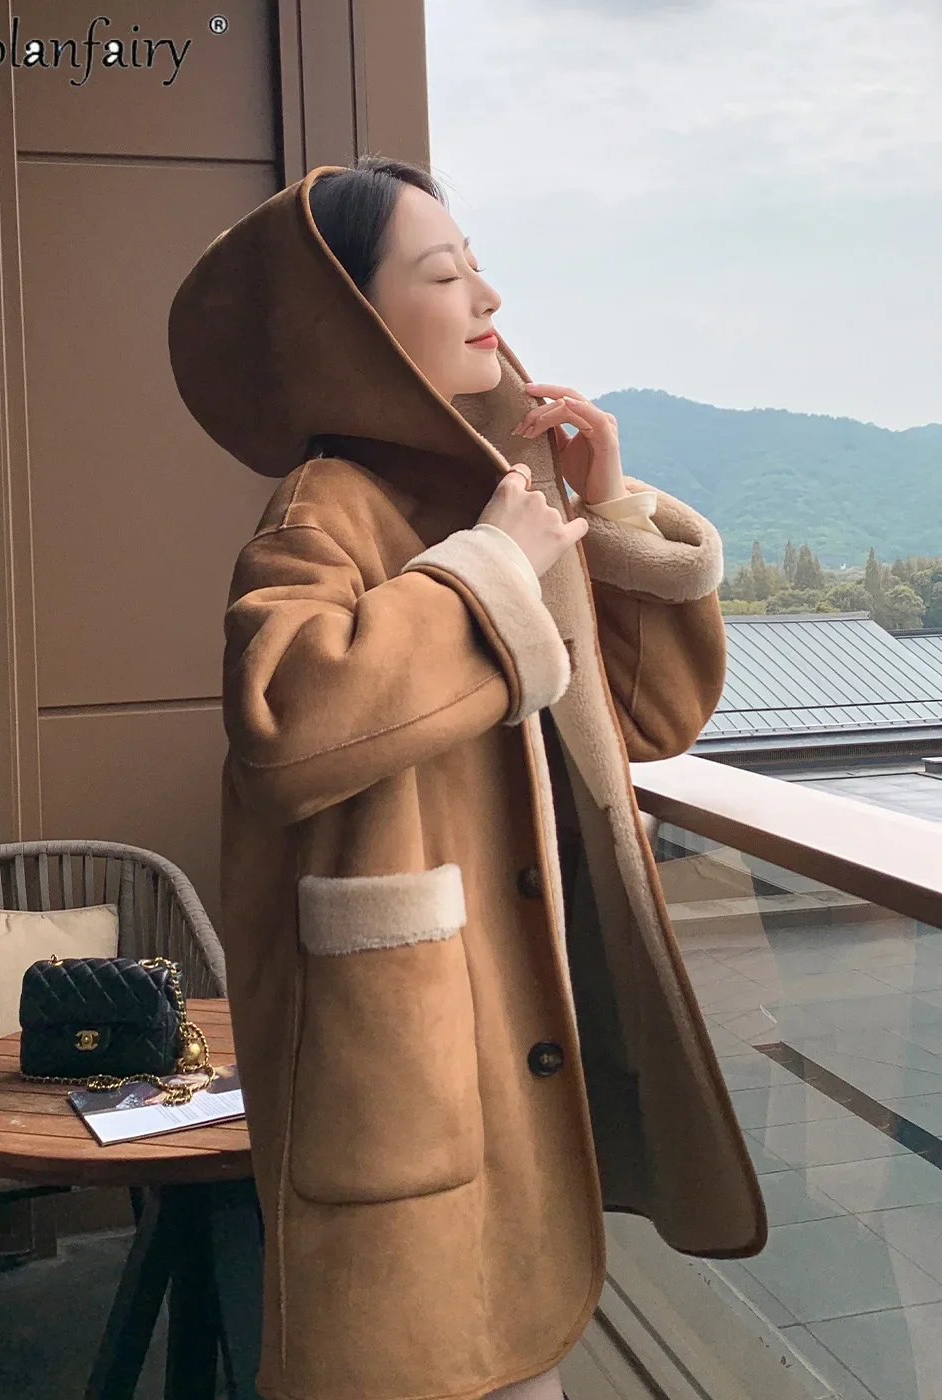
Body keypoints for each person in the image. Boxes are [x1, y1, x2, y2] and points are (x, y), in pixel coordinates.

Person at [168, 155, 766, 1400]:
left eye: (477, 264)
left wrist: (604, 514)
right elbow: (284, 722)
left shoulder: (498, 495)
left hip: (517, 1000)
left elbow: (651, 718)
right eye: (444, 274)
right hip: (414, 1036)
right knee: (429, 1349)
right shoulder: (324, 508)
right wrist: (491, 568)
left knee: (506, 1335)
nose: (487, 295)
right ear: (350, 321)